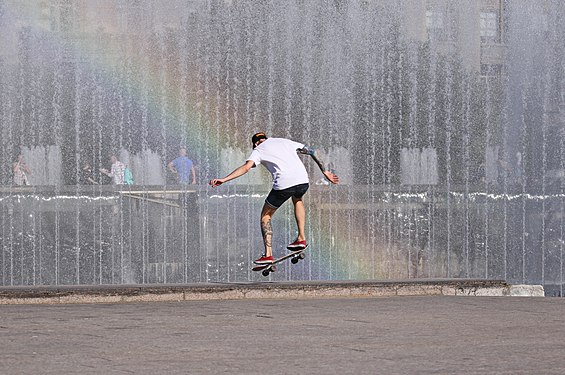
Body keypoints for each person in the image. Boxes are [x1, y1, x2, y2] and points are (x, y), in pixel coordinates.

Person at [209, 132, 339, 264]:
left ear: (255, 143)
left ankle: (268, 254)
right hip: (303, 181)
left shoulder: (258, 150)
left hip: (284, 184)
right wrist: (325, 171)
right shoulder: (284, 141)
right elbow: (313, 151)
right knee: (298, 200)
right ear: (266, 138)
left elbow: (246, 168)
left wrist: (224, 179)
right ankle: (301, 237)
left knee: (266, 216)